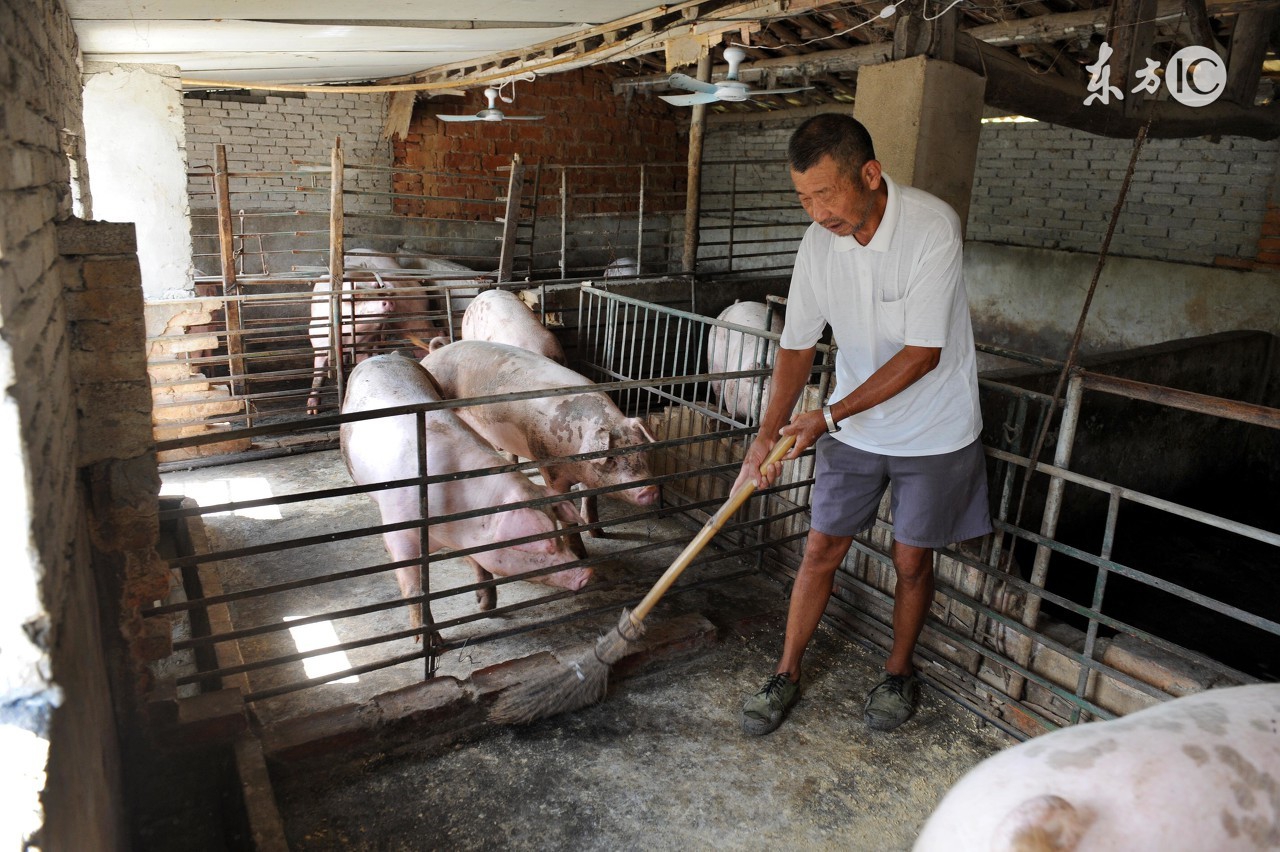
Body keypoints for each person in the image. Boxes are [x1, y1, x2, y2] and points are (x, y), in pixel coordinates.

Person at [737, 113, 991, 735]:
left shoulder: (932, 227)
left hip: (932, 431)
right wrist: (765, 436)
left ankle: (898, 671)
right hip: (852, 429)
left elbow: (922, 353)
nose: (816, 212)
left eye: (825, 194)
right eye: (804, 198)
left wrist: (826, 416)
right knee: (821, 546)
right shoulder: (817, 244)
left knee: (911, 561)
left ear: (870, 175)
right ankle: (787, 671)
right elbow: (796, 347)